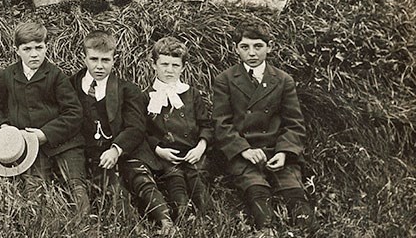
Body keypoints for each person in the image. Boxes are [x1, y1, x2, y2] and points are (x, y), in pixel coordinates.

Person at [211, 23, 311, 232]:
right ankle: (266, 231)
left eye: (258, 46)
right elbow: (222, 123)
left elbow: (294, 123)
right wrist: (244, 150)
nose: (252, 53)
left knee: (296, 198)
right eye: (245, 47)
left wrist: (284, 152)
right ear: (236, 49)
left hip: (276, 151)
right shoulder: (225, 80)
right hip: (244, 153)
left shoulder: (283, 80)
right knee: (258, 194)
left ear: (269, 47)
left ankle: (304, 230)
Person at [73, 31, 174, 234]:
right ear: (84, 58)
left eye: (105, 60)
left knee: (140, 178)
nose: (99, 66)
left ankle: (165, 221)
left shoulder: (127, 90)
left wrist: (116, 149)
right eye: (93, 59)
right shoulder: (71, 86)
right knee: (112, 187)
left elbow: (136, 127)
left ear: (114, 59)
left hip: (126, 149)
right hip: (94, 154)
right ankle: (134, 229)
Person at [0, 21, 87, 216]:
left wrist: (45, 134)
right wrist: (5, 126)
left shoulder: (56, 76)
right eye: (27, 49)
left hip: (64, 143)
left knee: (76, 185)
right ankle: (41, 226)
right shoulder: (6, 76)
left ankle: (85, 224)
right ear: (17, 50)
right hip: (29, 146)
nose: (34, 54)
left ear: (46, 47)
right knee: (35, 190)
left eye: (39, 48)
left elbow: (74, 112)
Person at [142, 37, 212, 222]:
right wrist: (159, 150)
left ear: (183, 67)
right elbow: (143, 131)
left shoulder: (191, 94)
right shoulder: (146, 96)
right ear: (154, 65)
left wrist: (200, 147)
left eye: (175, 65)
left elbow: (206, 124)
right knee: (175, 182)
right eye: (164, 64)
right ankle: (183, 215)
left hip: (193, 152)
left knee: (198, 184)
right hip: (166, 155)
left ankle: (207, 218)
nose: (169, 70)